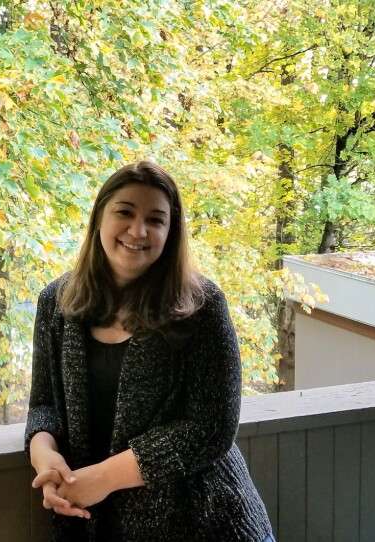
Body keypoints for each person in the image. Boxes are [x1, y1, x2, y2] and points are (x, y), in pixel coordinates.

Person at [25, 161, 273, 541]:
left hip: (202, 521)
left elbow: (213, 428)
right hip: (91, 519)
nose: (137, 231)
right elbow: (43, 405)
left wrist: (104, 478)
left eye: (155, 220)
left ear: (170, 232)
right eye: (124, 212)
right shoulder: (55, 304)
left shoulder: (202, 306)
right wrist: (45, 457)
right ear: (99, 218)